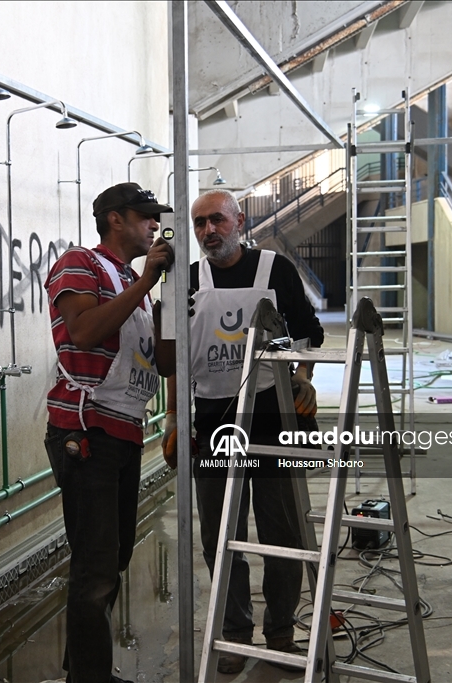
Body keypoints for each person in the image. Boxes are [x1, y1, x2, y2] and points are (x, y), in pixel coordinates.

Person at [163, 188, 324, 674]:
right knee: (219, 532)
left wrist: (302, 379)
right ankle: (234, 633)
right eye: (199, 224)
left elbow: (309, 333)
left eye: (217, 220)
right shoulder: (188, 281)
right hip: (214, 420)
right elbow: (172, 358)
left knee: (283, 532)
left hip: (276, 417)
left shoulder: (275, 270)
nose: (208, 231)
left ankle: (281, 633)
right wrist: (174, 419)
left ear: (239, 220)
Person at [43, 182, 175, 683]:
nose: (154, 226)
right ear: (115, 220)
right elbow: (82, 332)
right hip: (86, 431)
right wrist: (144, 284)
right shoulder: (81, 263)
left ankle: (84, 668)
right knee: (96, 566)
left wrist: (169, 303)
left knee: (113, 558)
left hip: (123, 433)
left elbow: (162, 364)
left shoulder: (132, 285)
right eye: (145, 217)